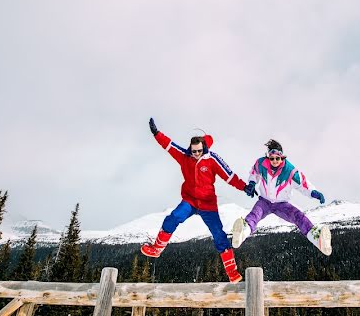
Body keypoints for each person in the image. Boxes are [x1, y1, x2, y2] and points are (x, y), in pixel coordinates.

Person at [141, 118, 256, 283]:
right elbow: (169, 145)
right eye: (193, 151)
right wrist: (156, 133)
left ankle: (232, 271)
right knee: (173, 218)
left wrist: (244, 187)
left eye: (198, 151)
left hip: (207, 204)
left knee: (218, 234)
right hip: (189, 201)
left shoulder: (213, 160)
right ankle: (157, 249)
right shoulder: (185, 156)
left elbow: (229, 176)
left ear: (204, 148)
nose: (195, 154)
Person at [232, 139, 332, 255]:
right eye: (272, 158)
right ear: (268, 157)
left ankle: (317, 237)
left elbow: (303, 184)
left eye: (277, 158)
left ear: (282, 157)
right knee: (255, 215)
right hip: (264, 201)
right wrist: (252, 184)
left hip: (282, 204)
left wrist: (313, 192)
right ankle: (241, 232)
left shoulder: (290, 171)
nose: (274, 161)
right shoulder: (261, 164)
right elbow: (254, 173)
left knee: (298, 216)